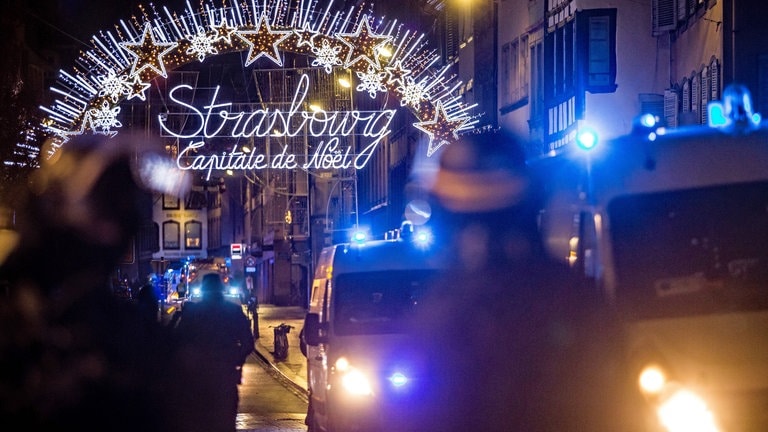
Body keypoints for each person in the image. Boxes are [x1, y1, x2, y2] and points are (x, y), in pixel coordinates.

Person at [410, 131, 643, 431]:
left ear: (444, 214)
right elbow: (619, 405)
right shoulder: (575, 296)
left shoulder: (439, 311)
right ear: (532, 204)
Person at [0, 135, 189, 431]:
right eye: (105, 208)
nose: (112, 230)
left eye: (122, 213)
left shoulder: (126, 331)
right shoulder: (21, 320)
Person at [174, 272, 255, 432]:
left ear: (203, 290)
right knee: (226, 422)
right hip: (225, 376)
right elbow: (248, 343)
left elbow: (178, 341)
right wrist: (236, 360)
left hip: (197, 378)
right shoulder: (233, 311)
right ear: (220, 288)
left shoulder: (192, 313)